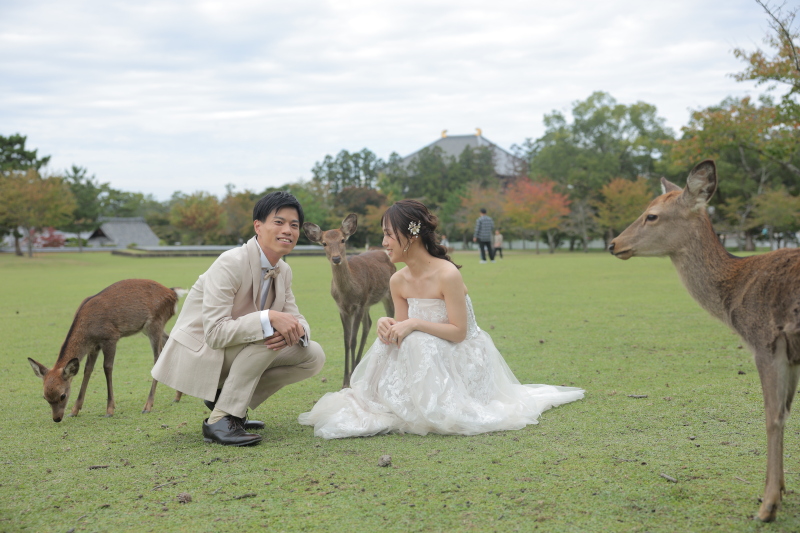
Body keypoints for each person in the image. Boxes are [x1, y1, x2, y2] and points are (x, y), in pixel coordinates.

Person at [298, 200, 583, 439]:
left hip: (463, 350)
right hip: (425, 349)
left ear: (410, 236)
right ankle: (397, 402)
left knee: (418, 342)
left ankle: (430, 405)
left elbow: (459, 332)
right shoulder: (397, 280)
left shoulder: (447, 274)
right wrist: (389, 327)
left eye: (388, 234)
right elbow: (401, 334)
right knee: (394, 346)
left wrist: (414, 324)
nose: (383, 242)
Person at [152, 191, 326, 446]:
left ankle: (231, 401)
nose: (288, 230)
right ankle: (221, 419)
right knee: (268, 331)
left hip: (236, 351)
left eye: (294, 225)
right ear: (258, 226)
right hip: (202, 352)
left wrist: (298, 329)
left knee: (313, 354)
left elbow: (295, 315)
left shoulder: (284, 270)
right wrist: (268, 318)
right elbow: (215, 333)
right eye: (279, 222)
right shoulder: (231, 262)